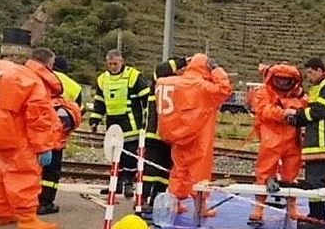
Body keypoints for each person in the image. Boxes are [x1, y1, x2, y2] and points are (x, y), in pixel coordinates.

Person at [156, 53, 231, 216]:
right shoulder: (202, 86)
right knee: (200, 171)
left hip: (178, 134)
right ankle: (201, 208)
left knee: (179, 169)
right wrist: (217, 70)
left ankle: (175, 203)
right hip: (198, 135)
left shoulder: (169, 82)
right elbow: (224, 89)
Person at [0, 50, 58, 229]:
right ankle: (27, 218)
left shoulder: (7, 70)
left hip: (3, 128)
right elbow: (38, 118)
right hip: (17, 134)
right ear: (49, 66)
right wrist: (43, 147)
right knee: (24, 174)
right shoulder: (34, 82)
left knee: (1, 173)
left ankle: (2, 212)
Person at [285, 57, 325, 229]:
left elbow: (318, 111)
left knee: (315, 184)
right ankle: (316, 218)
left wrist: (297, 115)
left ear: (319, 70)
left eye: (310, 72)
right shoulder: (321, 86)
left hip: (323, 142)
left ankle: (318, 221)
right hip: (317, 142)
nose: (308, 76)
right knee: (314, 183)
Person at [248, 63, 307, 223]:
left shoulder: (298, 94)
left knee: (292, 174)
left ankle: (292, 206)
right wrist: (284, 113)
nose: (282, 83)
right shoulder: (263, 91)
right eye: (279, 80)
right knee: (265, 173)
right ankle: (258, 207)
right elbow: (263, 110)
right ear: (272, 78)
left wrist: (293, 107)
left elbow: (306, 107)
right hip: (271, 136)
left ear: (294, 81)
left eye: (286, 80)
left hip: (292, 137)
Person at [25, 52, 82, 215]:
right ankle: (46, 203)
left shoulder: (30, 74)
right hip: (57, 134)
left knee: (29, 170)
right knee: (51, 172)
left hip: (32, 132)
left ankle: (28, 202)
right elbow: (78, 112)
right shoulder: (73, 86)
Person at [89, 50, 150, 198]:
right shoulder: (102, 79)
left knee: (129, 155)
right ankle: (115, 184)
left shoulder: (133, 76)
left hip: (130, 123)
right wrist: (95, 120)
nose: (112, 66)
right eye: (110, 64)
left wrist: (148, 121)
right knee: (115, 154)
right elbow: (99, 102)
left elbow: (146, 99)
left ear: (122, 61)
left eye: (115, 63)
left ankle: (128, 183)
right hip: (113, 123)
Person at [142, 56, 189, 210]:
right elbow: (161, 68)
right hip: (154, 132)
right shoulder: (159, 81)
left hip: (170, 136)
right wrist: (184, 61)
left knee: (165, 172)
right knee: (150, 170)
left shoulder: (178, 85)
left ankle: (156, 201)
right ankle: (142, 200)